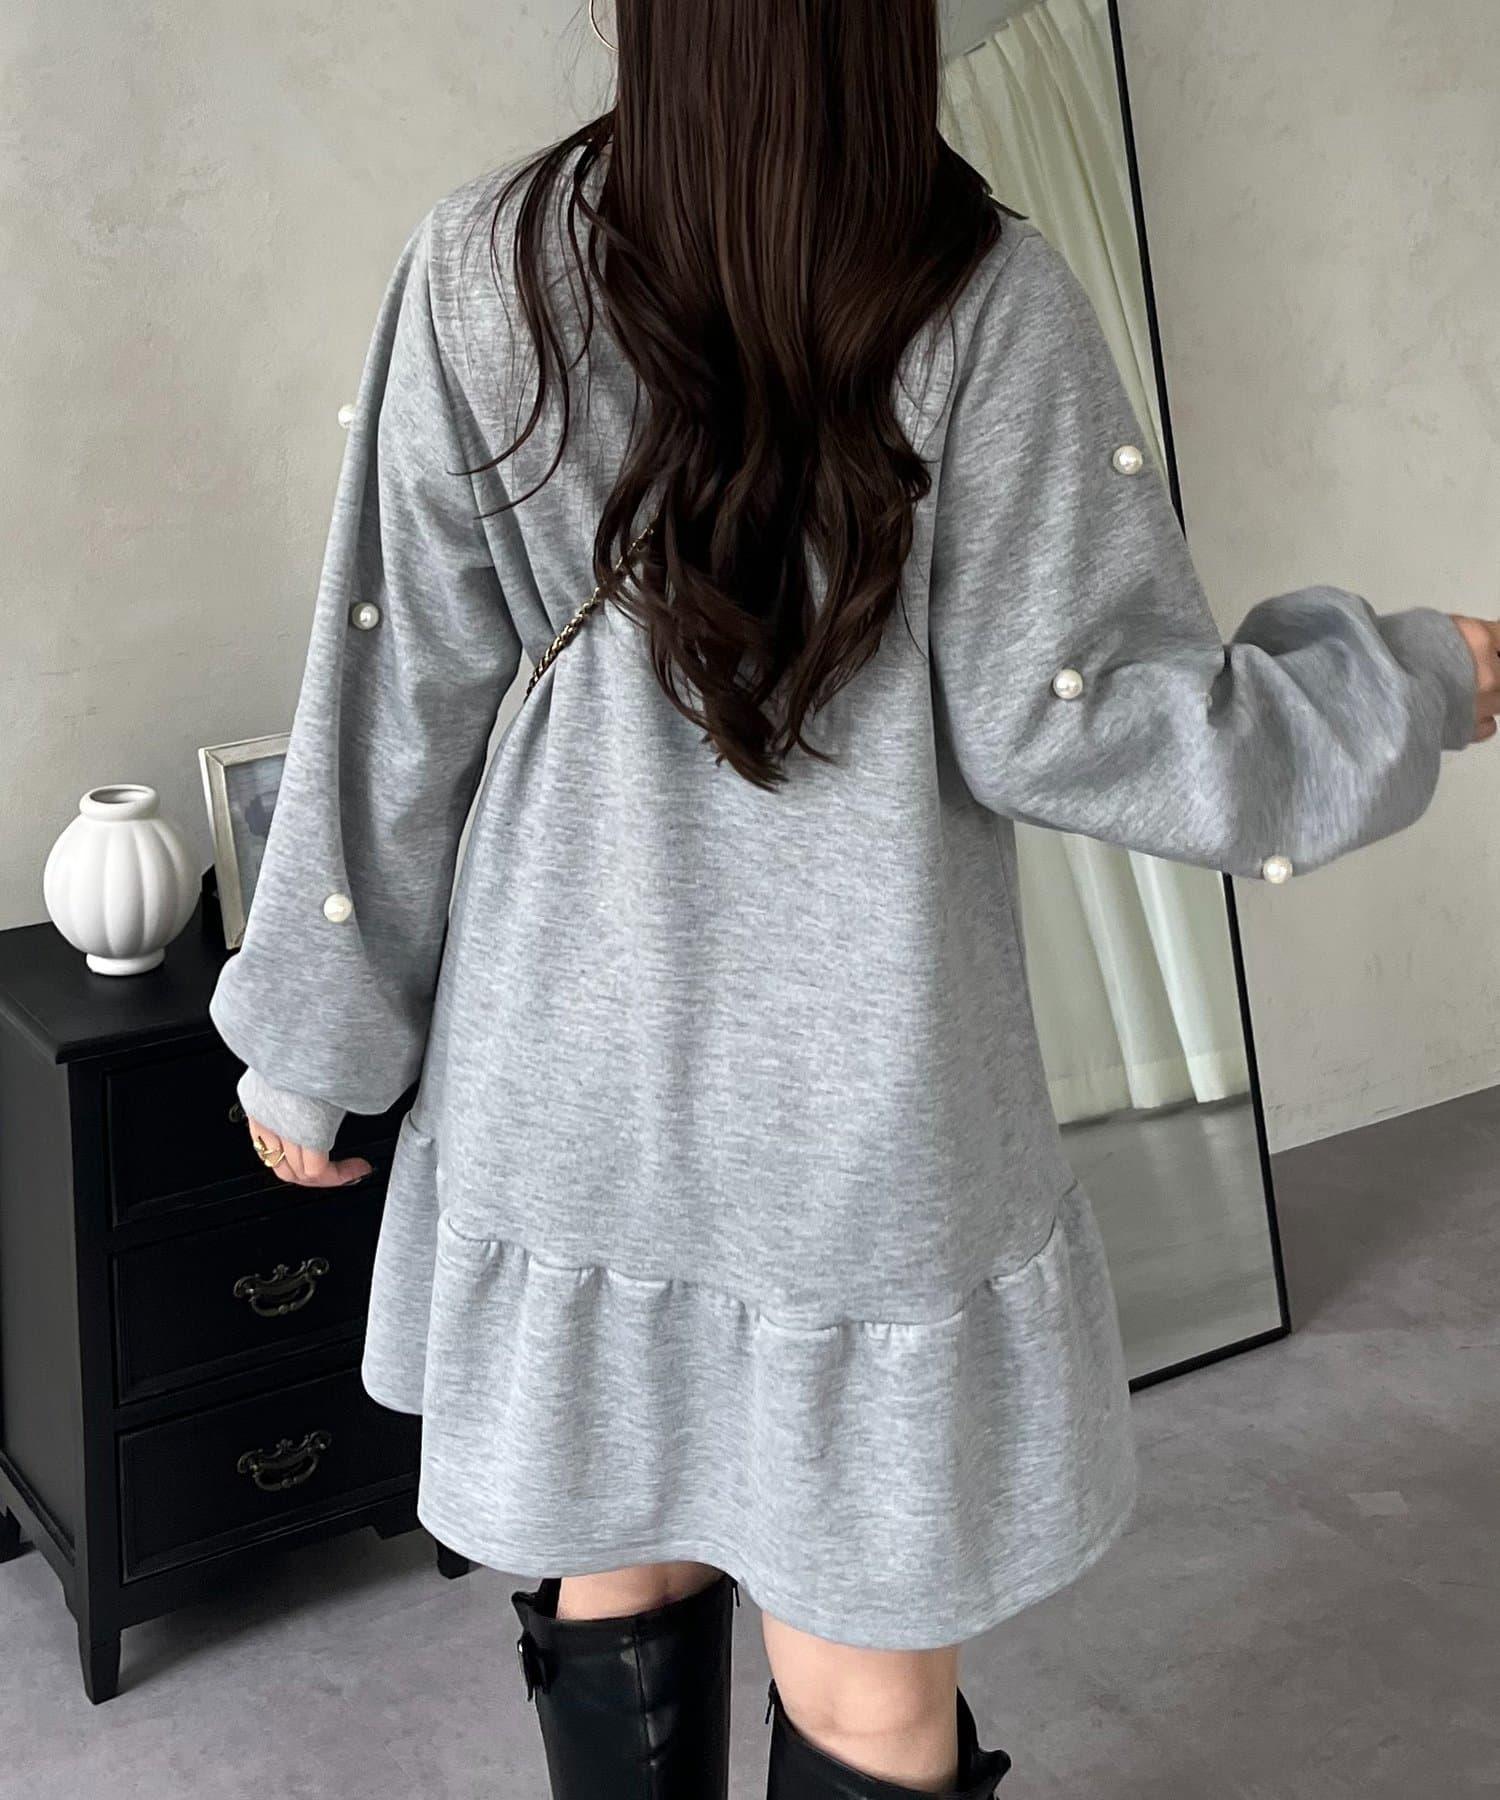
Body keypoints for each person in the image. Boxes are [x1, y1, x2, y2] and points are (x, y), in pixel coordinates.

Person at [207, 2, 1500, 1794]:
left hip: (571, 1089)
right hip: (863, 1126)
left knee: (616, 1566)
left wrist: (310, 1047)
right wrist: (1413, 683)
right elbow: (1096, 724)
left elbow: (396, 701)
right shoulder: (986, 300)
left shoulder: (485, 269)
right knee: (868, 1695)